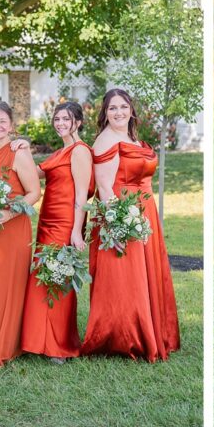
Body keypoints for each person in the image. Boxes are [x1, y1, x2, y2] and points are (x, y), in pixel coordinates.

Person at [80, 88, 180, 361]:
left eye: (123, 106)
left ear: (131, 110)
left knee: (143, 275)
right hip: (122, 214)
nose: (119, 112)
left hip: (144, 211)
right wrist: (118, 225)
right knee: (126, 278)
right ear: (105, 113)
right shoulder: (105, 141)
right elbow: (104, 188)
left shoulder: (130, 137)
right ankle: (125, 337)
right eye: (112, 108)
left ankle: (149, 328)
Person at [21, 101, 92, 361]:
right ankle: (37, 340)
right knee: (43, 278)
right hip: (46, 221)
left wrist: (76, 231)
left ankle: (58, 345)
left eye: (67, 119)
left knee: (58, 278)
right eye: (57, 119)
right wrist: (21, 148)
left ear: (78, 122)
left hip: (65, 223)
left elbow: (82, 196)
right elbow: (34, 174)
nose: (61, 123)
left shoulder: (80, 151)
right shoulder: (58, 153)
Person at [0, 101, 42, 364]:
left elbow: (34, 192)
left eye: (3, 121)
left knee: (9, 284)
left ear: (11, 125)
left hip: (12, 227)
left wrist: (11, 212)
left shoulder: (19, 153)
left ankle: (7, 342)